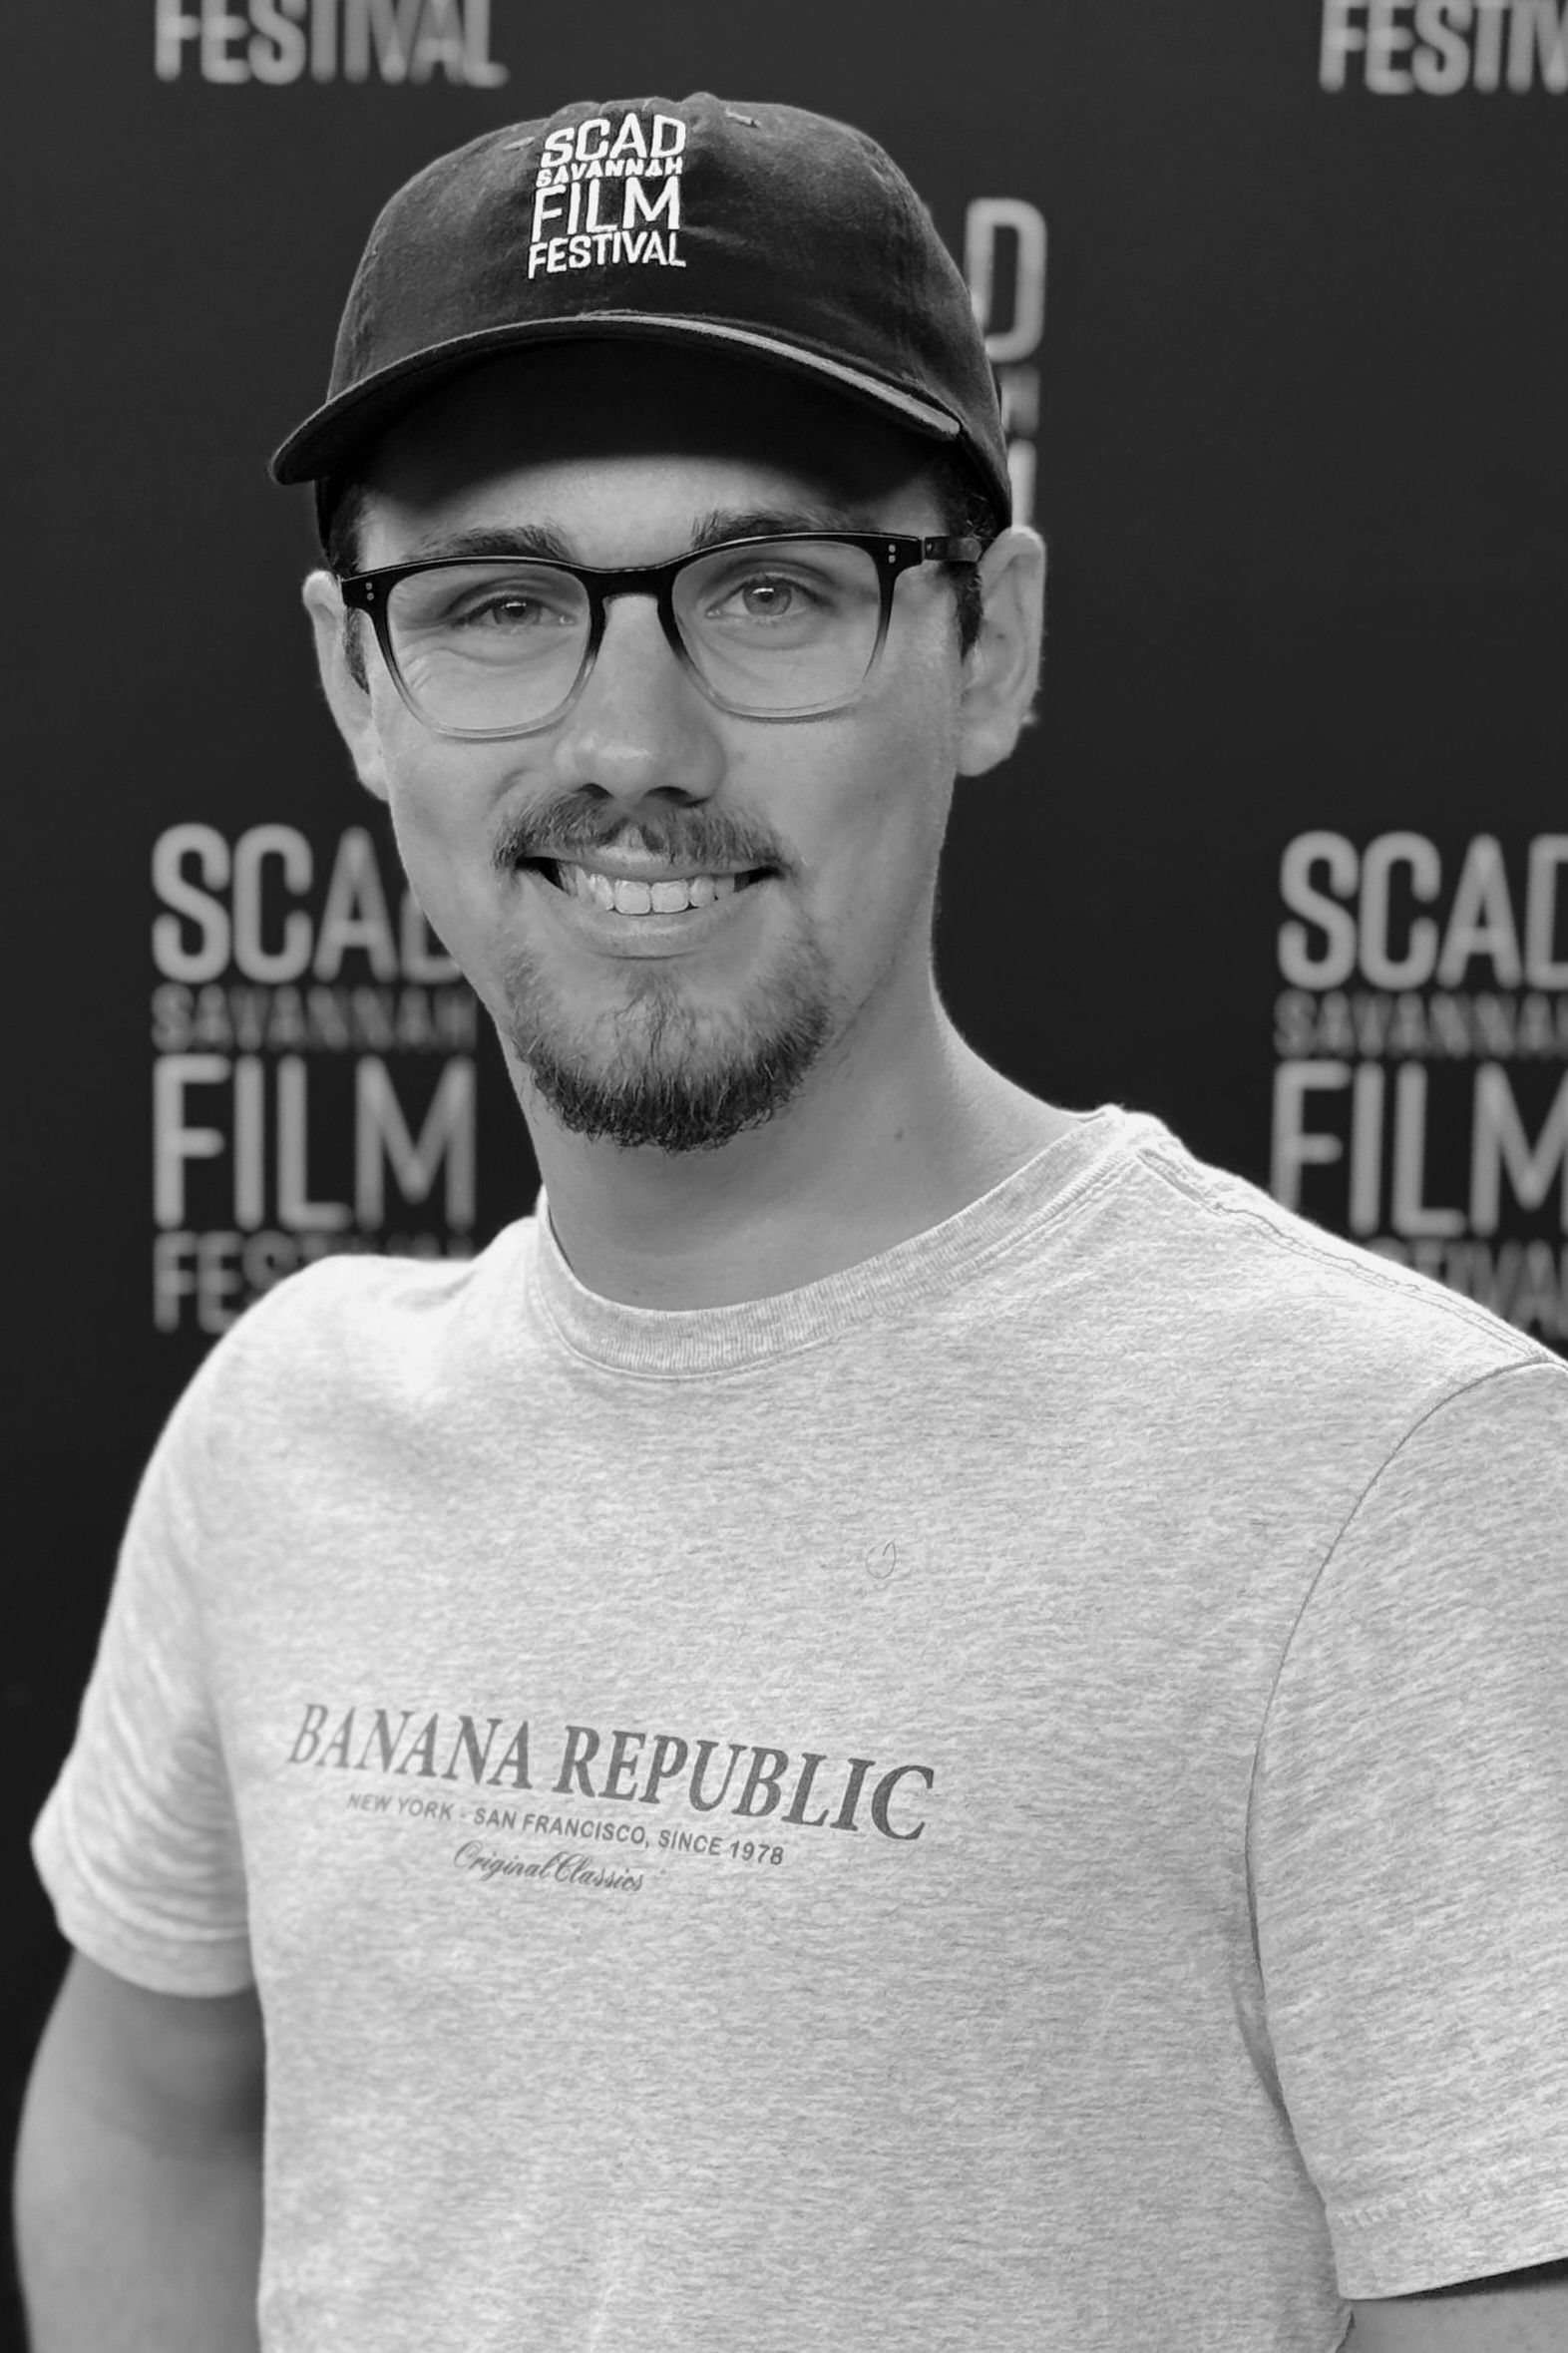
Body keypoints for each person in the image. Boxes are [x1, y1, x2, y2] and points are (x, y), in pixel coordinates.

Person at [14, 91, 1568, 2353]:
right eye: (498, 605)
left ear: (991, 645)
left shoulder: (1386, 1475)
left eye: (768, 592)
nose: (631, 741)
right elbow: (149, 2110)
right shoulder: (286, 1426)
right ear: (359, 680)